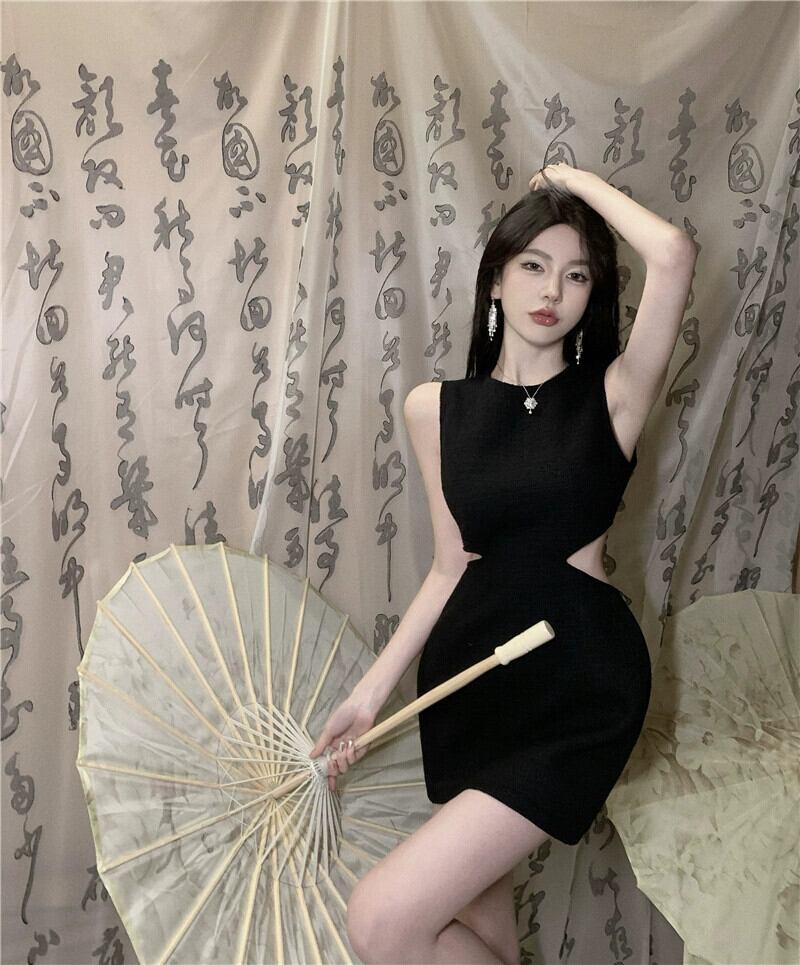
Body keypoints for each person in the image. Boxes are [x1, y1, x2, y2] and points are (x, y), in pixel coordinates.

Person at [309, 161, 697, 965]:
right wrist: (367, 697)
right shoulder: (434, 410)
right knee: (484, 937)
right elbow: (451, 566)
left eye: (576, 274)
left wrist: (571, 183)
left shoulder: (614, 396)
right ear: (494, 279)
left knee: (382, 919)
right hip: (472, 681)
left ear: (593, 294)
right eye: (532, 264)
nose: (552, 289)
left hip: (577, 681)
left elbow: (671, 254)